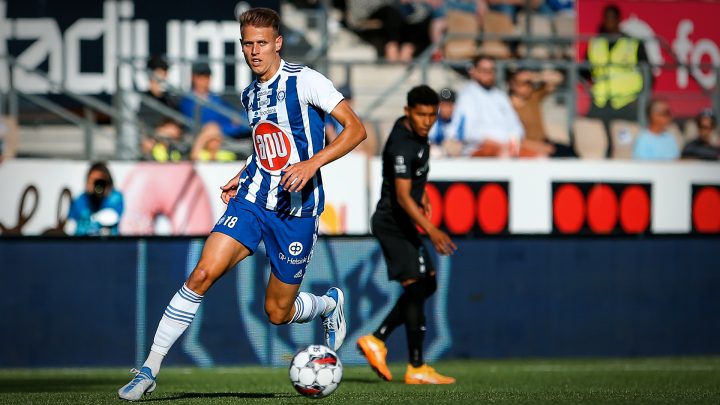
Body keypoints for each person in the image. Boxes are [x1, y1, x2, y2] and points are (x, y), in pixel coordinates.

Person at [118, 7, 366, 401]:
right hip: (252, 201)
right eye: (248, 43)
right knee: (201, 274)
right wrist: (244, 172)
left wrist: (311, 163)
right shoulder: (250, 94)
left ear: (278, 43)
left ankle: (326, 303)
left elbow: (356, 129)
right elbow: (265, 143)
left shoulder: (306, 81)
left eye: (262, 43)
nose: (255, 51)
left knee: (277, 312)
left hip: (295, 212)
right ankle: (149, 368)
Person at [357, 85, 457, 385]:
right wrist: (433, 230)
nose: (427, 120)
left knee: (425, 285)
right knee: (417, 286)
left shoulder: (418, 135)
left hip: (401, 223)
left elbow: (411, 180)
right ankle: (414, 366)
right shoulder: (402, 143)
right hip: (392, 223)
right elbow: (401, 197)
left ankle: (379, 340)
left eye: (432, 115)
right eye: (421, 114)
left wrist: (421, 190)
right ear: (407, 112)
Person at [585, 3, 649, 156]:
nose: (609, 21)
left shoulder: (633, 43)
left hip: (626, 102)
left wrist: (642, 98)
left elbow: (647, 72)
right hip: (600, 101)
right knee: (594, 138)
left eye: (612, 18)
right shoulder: (595, 43)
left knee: (626, 143)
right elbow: (585, 69)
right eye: (606, 18)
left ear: (619, 20)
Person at [445, 55, 525, 157]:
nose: (488, 74)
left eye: (491, 70)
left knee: (540, 157)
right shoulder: (467, 96)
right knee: (504, 155)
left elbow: (517, 126)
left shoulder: (500, 96)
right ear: (473, 71)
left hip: (508, 147)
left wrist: (512, 141)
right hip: (478, 150)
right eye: (484, 70)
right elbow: (468, 132)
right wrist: (500, 144)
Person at [179, 62, 252, 161]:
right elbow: (192, 123)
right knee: (212, 134)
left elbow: (235, 118)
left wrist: (224, 127)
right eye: (200, 77)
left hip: (221, 134)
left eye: (207, 77)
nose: (204, 80)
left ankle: (196, 156)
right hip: (201, 134)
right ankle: (196, 155)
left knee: (213, 134)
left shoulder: (217, 100)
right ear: (193, 78)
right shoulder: (187, 102)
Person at [509, 68, 575, 157]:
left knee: (571, 154)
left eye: (530, 83)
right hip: (527, 147)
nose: (528, 87)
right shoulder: (509, 107)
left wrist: (535, 76)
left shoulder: (533, 96)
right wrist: (538, 147)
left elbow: (558, 78)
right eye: (524, 83)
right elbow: (512, 139)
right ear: (513, 84)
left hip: (544, 142)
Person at [138, 55, 188, 162]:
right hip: (150, 152)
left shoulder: (170, 99)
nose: (164, 75)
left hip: (171, 150)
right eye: (160, 71)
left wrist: (158, 134)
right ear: (150, 73)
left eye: (165, 72)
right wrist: (161, 133)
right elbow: (142, 133)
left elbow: (176, 129)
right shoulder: (142, 100)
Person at [66, 162, 124, 236]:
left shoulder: (116, 198)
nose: (96, 185)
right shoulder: (80, 200)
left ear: (107, 182)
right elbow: (70, 225)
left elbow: (112, 216)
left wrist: (104, 194)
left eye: (99, 181)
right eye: (92, 180)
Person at [325, 84, 379, 156]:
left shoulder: (360, 120)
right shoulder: (330, 119)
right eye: (342, 100)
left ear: (352, 101)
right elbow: (333, 140)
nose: (345, 103)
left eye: (347, 100)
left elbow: (367, 148)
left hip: (353, 155)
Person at [427, 87, 456, 156]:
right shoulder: (431, 119)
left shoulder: (459, 119)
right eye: (443, 105)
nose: (446, 109)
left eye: (449, 105)